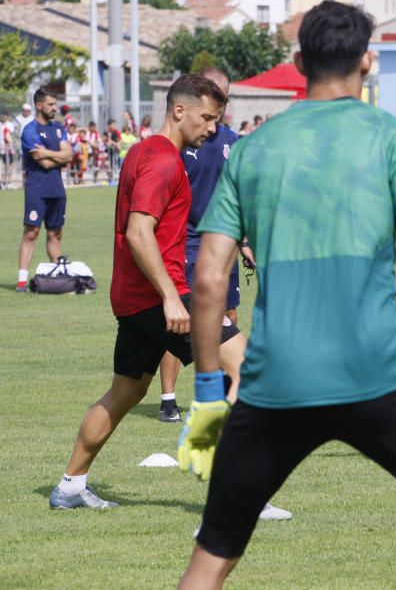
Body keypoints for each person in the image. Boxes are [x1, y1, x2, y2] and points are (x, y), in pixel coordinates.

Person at [175, 0, 396, 589]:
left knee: (213, 554)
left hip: (276, 383)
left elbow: (206, 279)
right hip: (376, 373)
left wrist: (206, 395)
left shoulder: (252, 148)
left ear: (300, 61)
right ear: (369, 62)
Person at [47, 75, 246, 510]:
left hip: (133, 298)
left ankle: (69, 487)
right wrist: (172, 297)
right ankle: (230, 488)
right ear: (180, 110)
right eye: (208, 118)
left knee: (125, 393)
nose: (212, 128)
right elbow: (140, 232)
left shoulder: (141, 151)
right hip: (161, 296)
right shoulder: (163, 161)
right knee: (247, 368)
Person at [158, 67, 249, 424]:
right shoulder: (176, 145)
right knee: (178, 322)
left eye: (223, 97)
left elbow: (242, 195)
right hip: (186, 244)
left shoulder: (233, 141)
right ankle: (168, 398)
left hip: (223, 244)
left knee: (228, 315)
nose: (219, 104)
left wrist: (245, 240)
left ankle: (222, 397)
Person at [16, 89, 73, 292]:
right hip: (37, 189)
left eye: (55, 104)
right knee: (31, 232)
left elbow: (69, 156)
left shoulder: (59, 128)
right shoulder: (30, 130)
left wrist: (50, 153)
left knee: (55, 234)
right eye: (50, 104)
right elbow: (46, 164)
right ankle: (22, 281)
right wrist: (60, 155)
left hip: (57, 189)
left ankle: (58, 277)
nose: (54, 108)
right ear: (39, 105)